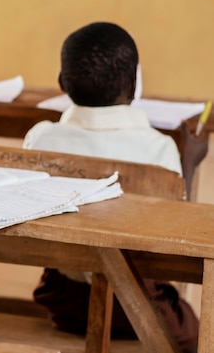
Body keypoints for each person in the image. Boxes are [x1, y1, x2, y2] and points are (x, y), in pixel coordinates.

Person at [23, 21, 205, 353]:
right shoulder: (158, 148)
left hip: (64, 300)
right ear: (134, 84)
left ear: (63, 83)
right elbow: (176, 233)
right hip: (136, 305)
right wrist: (190, 162)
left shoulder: (42, 137)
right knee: (194, 333)